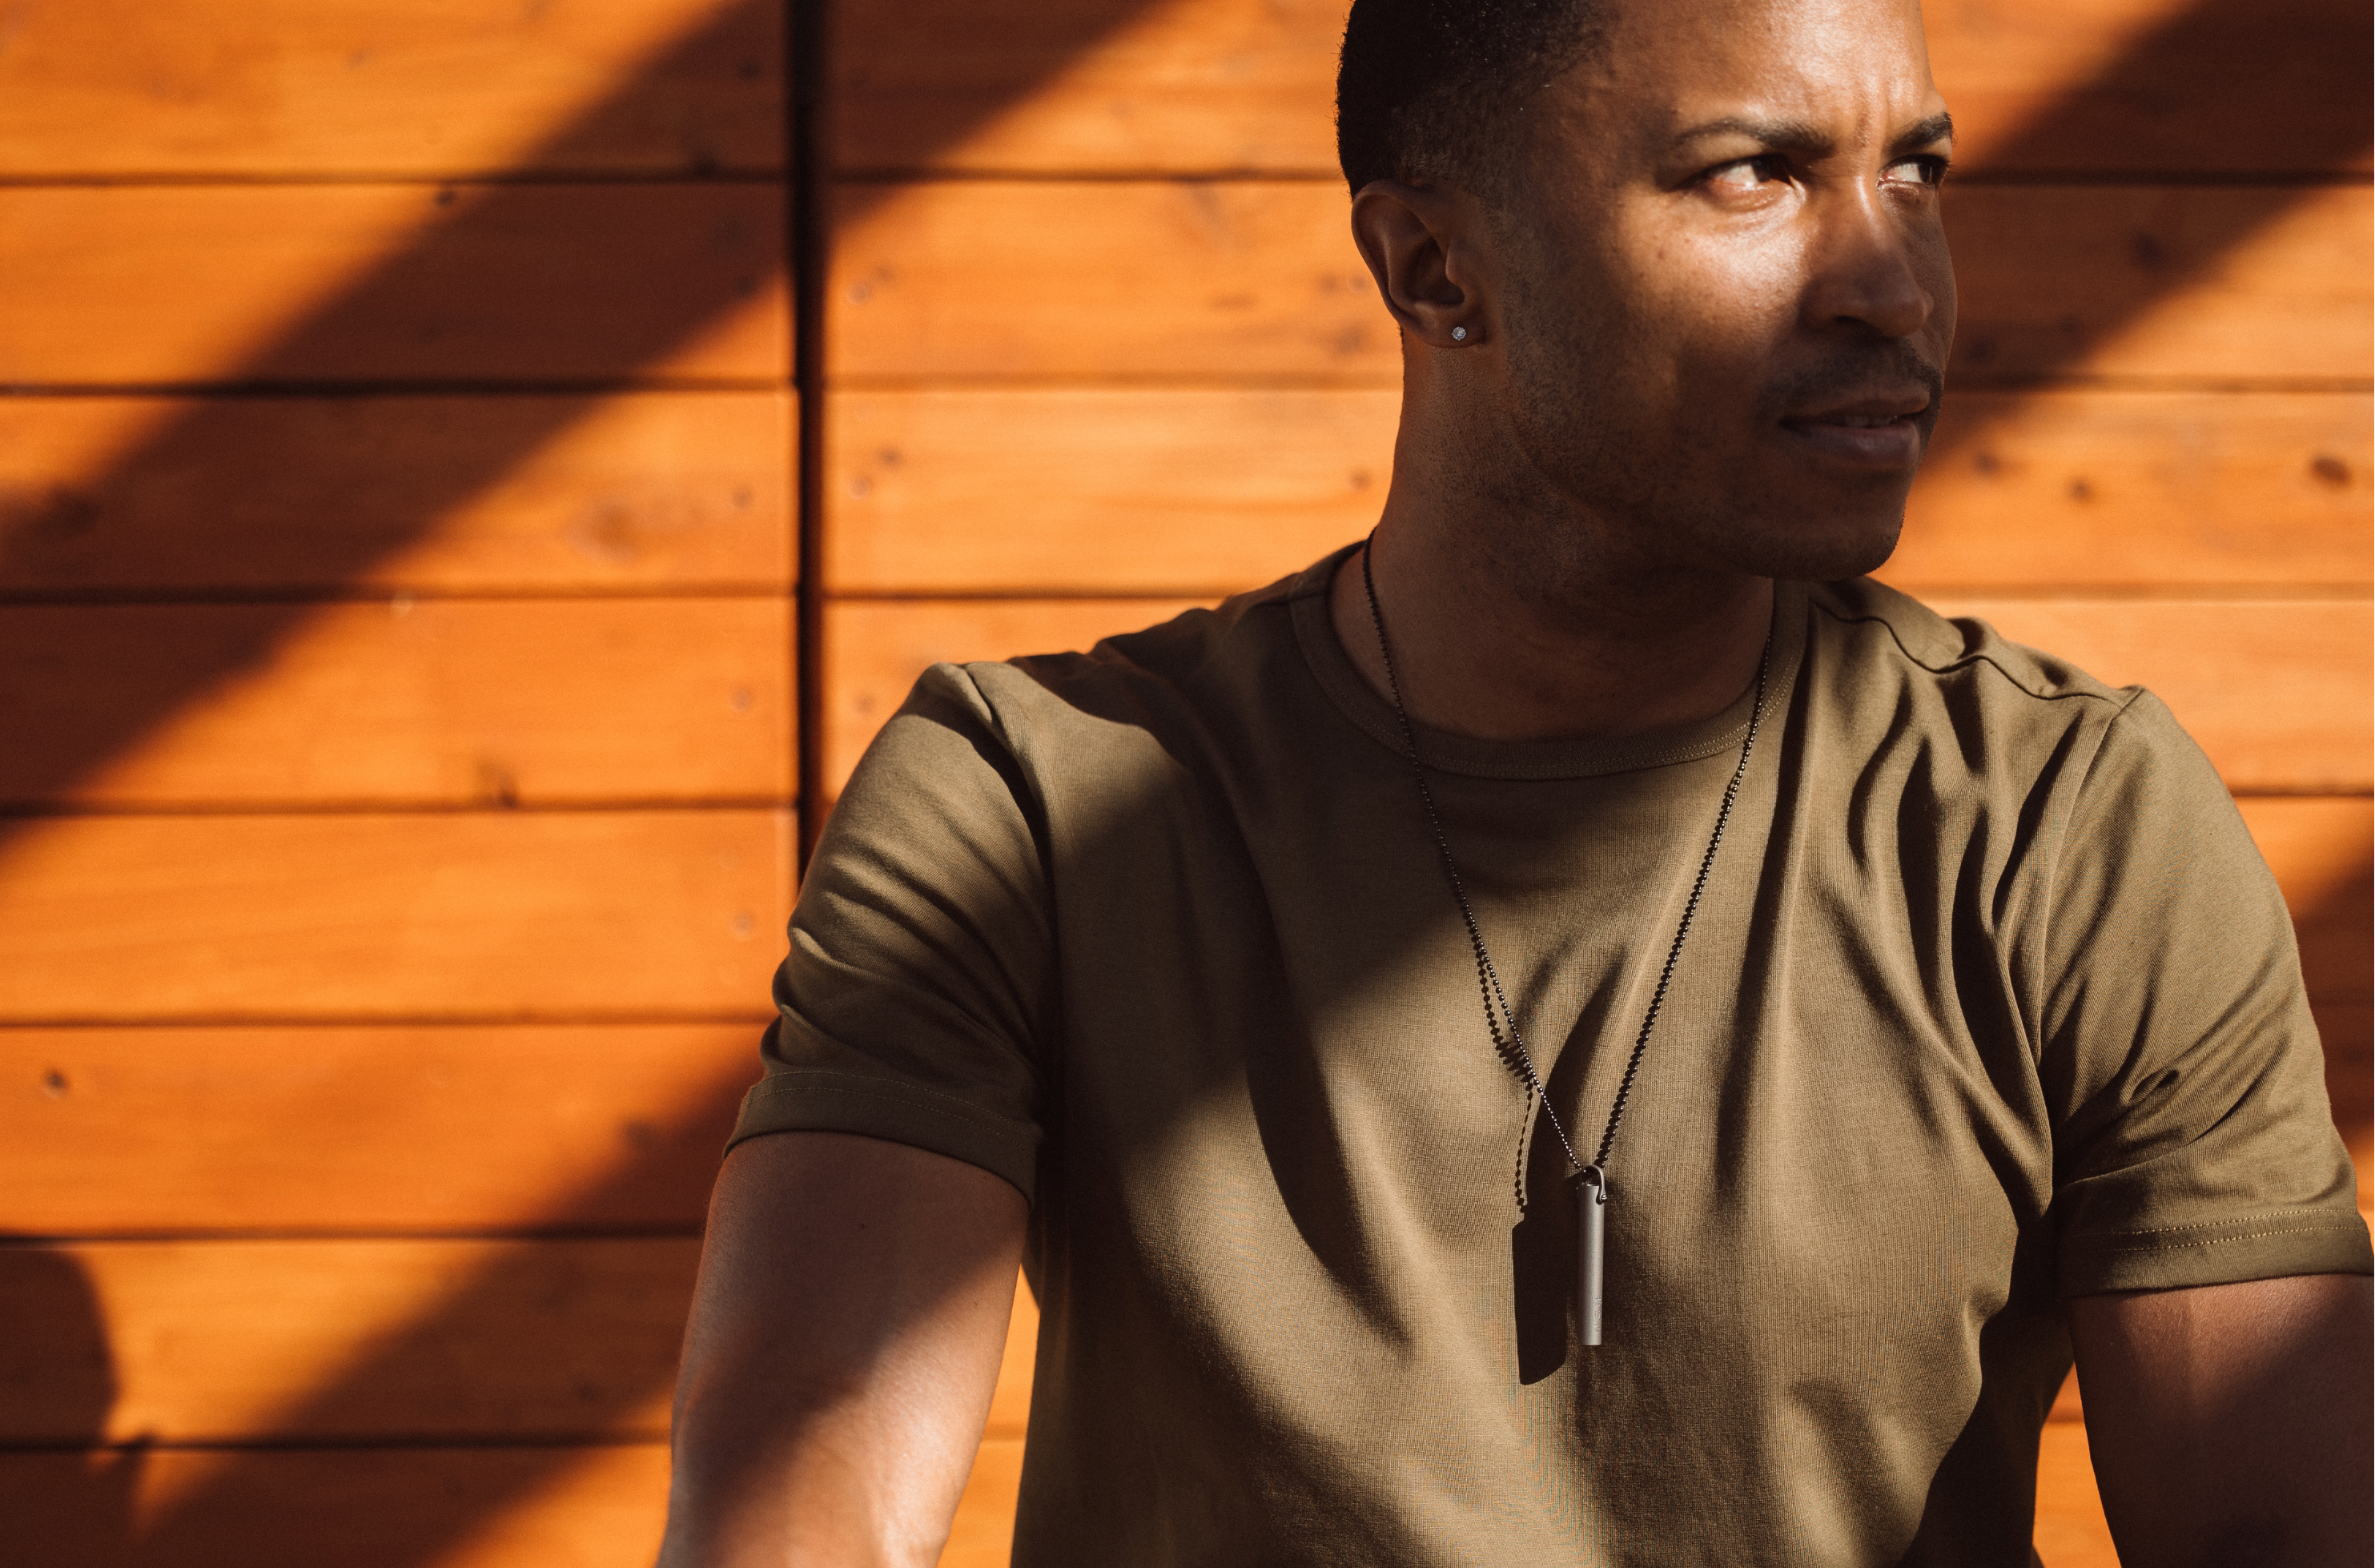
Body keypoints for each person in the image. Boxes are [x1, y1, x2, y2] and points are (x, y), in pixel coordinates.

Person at [657, 0, 2373, 1560]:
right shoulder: (1034, 805)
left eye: (1913, 172)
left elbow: (2282, 1526)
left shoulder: (2065, 824)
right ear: (1434, 271)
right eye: (1752, 176)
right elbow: (804, 1474)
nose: (1894, 285)